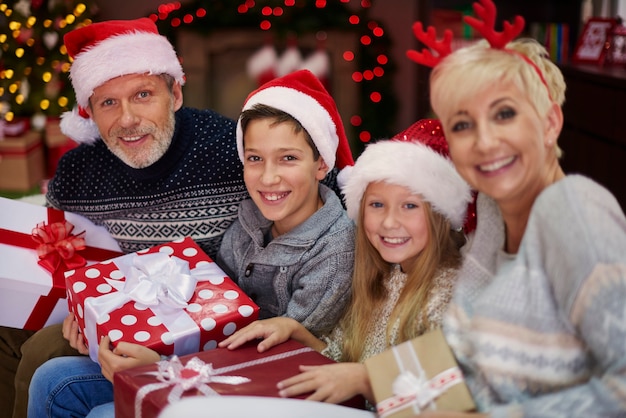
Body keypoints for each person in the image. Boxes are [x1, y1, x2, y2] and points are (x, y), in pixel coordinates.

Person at [1, 18, 347, 418]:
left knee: (43, 359)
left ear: (176, 93)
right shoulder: (77, 174)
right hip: (119, 313)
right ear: (90, 111)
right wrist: (81, 312)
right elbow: (67, 260)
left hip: (205, 330)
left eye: (143, 94)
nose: (127, 118)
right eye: (108, 102)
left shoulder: (230, 149)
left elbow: (318, 180)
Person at [407, 0, 626, 415]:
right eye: (462, 124)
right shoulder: (494, 211)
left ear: (549, 123)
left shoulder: (573, 210)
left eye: (504, 114)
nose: (485, 142)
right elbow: (465, 350)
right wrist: (369, 379)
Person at [219, 118, 473, 407]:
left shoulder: (455, 298)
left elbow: (449, 401)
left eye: (410, 206)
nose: (389, 222)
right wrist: (294, 330)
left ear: (441, 214)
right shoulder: (381, 275)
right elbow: (338, 353)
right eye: (377, 204)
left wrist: (367, 380)